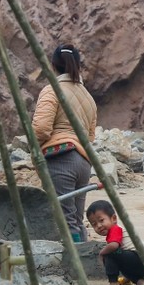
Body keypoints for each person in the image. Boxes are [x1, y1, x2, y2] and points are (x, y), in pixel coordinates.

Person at [32, 44, 97, 243]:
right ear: (78, 65)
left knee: (64, 220)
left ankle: (73, 268)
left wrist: (35, 147)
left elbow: (41, 128)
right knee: (76, 218)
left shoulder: (52, 90)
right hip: (84, 162)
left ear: (53, 65)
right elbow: (90, 136)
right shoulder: (88, 97)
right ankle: (86, 263)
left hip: (61, 159)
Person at [86, 200, 144, 285]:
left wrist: (102, 253)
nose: (99, 226)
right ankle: (141, 282)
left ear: (114, 219)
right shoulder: (114, 232)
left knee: (110, 253)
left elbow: (113, 246)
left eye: (101, 220)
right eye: (94, 224)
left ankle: (112, 284)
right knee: (117, 257)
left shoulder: (115, 229)